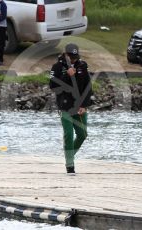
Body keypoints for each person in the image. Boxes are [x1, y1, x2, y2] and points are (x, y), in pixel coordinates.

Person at [49, 43, 93, 175]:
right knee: (68, 134)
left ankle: (69, 155)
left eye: (75, 57)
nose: (73, 59)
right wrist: (67, 75)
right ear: (65, 55)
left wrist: (84, 105)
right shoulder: (57, 67)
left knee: (82, 134)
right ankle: (70, 166)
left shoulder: (82, 66)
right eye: (71, 57)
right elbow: (53, 86)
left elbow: (88, 87)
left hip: (79, 106)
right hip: (65, 106)